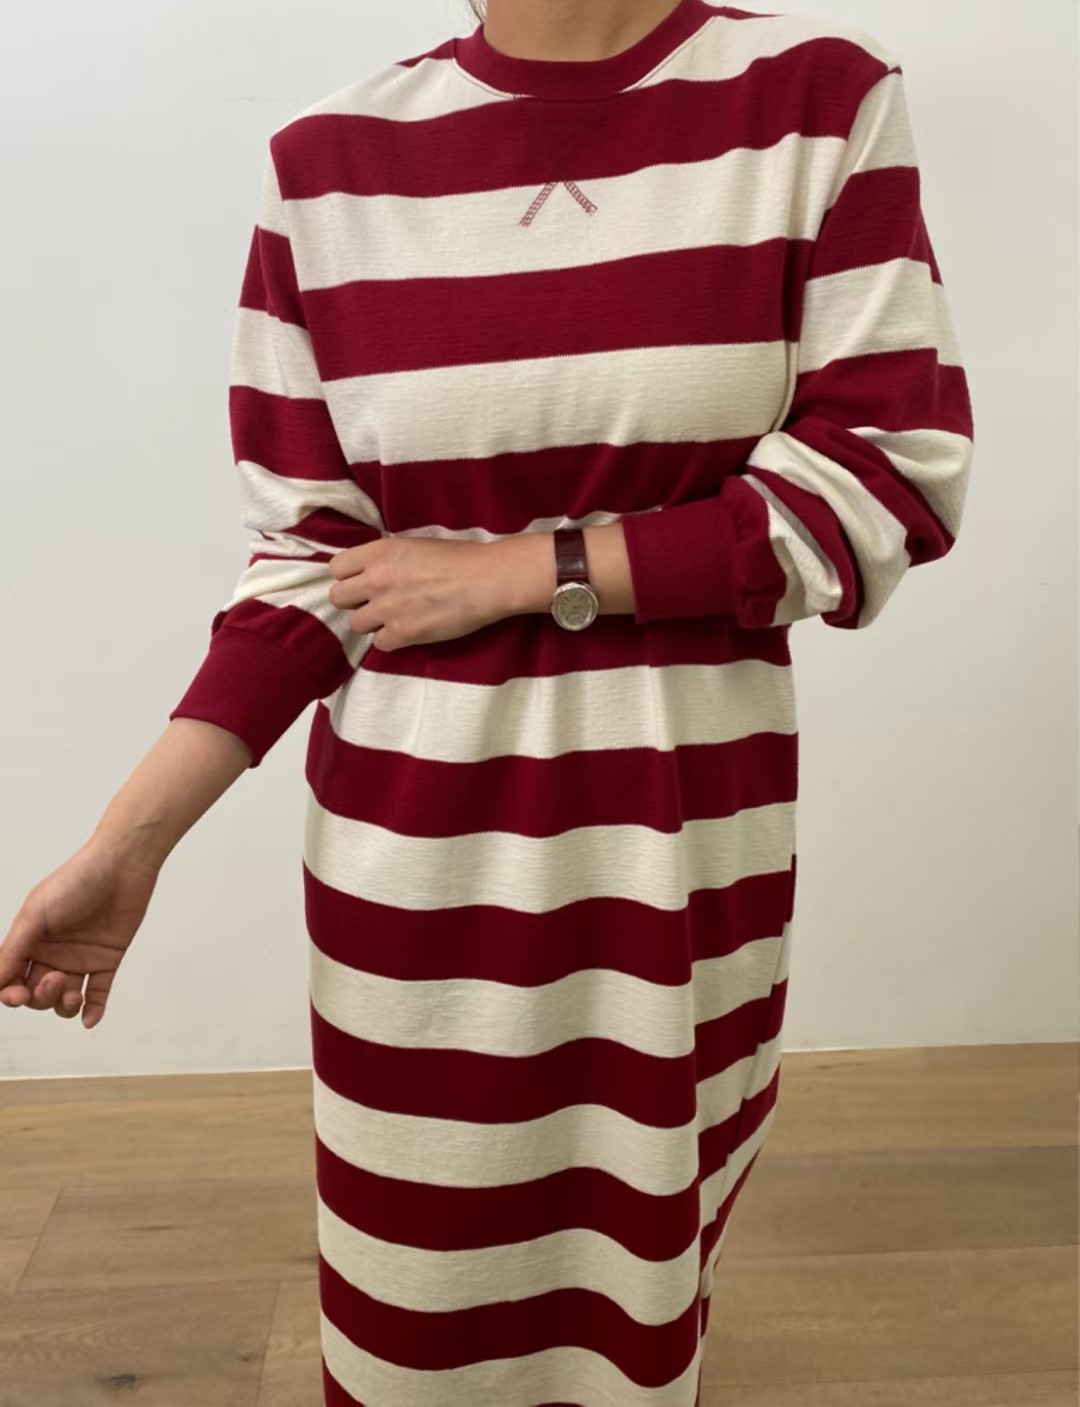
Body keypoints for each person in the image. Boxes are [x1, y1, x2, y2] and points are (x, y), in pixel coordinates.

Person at [0, 1, 974, 1402]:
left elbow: (886, 478)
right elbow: (307, 571)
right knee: (418, 1306)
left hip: (680, 846)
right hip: (414, 870)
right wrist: (129, 844)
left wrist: (531, 570)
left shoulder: (814, 101)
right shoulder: (328, 161)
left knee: (642, 1285)